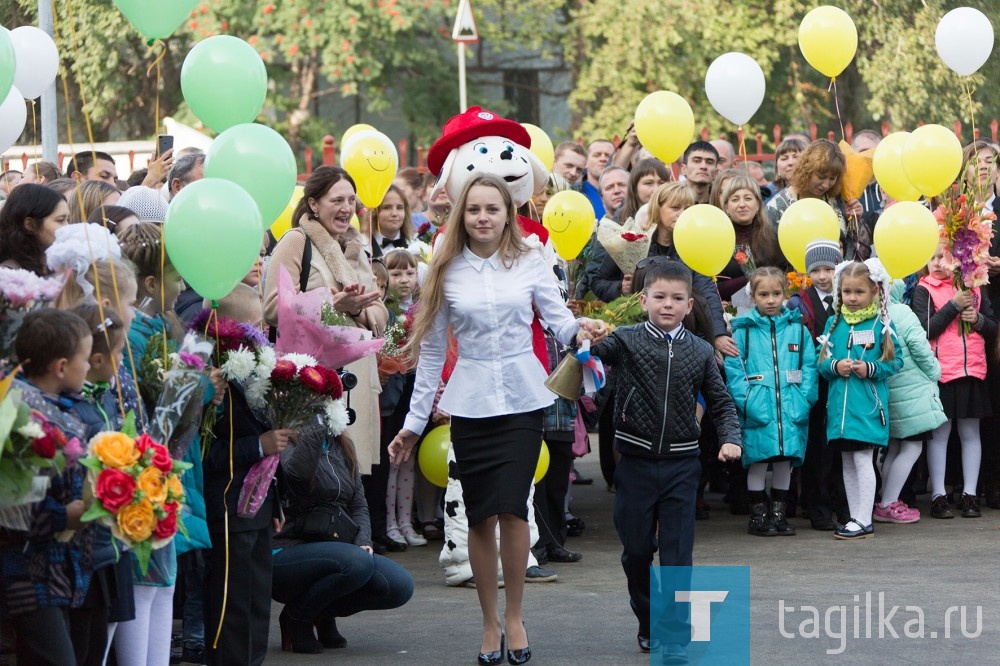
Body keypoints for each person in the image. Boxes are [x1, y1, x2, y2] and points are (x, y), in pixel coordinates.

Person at [388, 174, 607, 665]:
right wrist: (413, 423)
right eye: (474, 209)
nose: (483, 217)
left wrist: (583, 328)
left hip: (524, 401)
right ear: (460, 216)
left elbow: (559, 320)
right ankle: (489, 623)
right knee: (480, 515)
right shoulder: (443, 270)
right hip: (470, 405)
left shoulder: (532, 260)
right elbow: (428, 353)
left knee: (513, 509)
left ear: (509, 213)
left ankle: (514, 616)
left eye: (493, 208)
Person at [585, 260, 741, 661]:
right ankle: (647, 618)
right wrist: (589, 334)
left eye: (676, 299)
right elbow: (592, 352)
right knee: (636, 551)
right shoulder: (628, 339)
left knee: (676, 554)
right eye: (659, 297)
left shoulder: (702, 351)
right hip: (634, 462)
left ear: (690, 305)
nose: (667, 305)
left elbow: (721, 403)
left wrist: (730, 439)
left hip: (682, 464)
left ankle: (672, 635)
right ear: (644, 300)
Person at [264, 166, 388, 475]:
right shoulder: (296, 241)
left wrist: (357, 310)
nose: (347, 208)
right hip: (313, 381)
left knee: (355, 487)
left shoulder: (356, 249)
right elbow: (272, 308)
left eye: (351, 200)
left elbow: (381, 314)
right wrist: (331, 303)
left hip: (357, 381)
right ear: (314, 205)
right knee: (318, 480)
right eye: (337, 200)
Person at [273, 424, 414, 653]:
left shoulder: (342, 444)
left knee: (398, 585)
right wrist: (318, 425)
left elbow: (358, 504)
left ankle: (321, 611)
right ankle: (297, 618)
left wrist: (363, 541)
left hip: (334, 548)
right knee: (356, 563)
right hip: (286, 549)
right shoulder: (285, 436)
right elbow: (296, 475)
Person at [2, 309, 93, 666]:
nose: (88, 368)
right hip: (30, 572)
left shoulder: (60, 410)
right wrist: (63, 518)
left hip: (57, 574)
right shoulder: (24, 418)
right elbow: (13, 507)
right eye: (84, 359)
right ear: (60, 367)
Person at [202, 357, 295, 665]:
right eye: (251, 322)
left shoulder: (256, 373)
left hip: (260, 505)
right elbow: (206, 454)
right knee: (233, 606)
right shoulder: (214, 382)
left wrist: (276, 502)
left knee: (257, 605)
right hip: (231, 505)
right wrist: (258, 444)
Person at [725, 267, 817, 537]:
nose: (770, 300)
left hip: (791, 408)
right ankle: (757, 516)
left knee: (783, 463)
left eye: (776, 293)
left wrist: (803, 399)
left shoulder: (798, 331)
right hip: (758, 409)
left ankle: (778, 514)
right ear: (752, 296)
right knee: (756, 462)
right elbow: (734, 371)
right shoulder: (743, 332)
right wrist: (749, 400)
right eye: (763, 294)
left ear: (784, 294)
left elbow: (809, 367)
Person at [817, 259, 901, 540]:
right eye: (846, 292)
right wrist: (834, 366)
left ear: (874, 291)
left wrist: (870, 369)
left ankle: (864, 519)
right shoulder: (834, 322)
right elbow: (821, 362)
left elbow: (895, 361)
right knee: (848, 462)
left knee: (864, 460)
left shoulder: (881, 324)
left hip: (866, 408)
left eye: (858, 292)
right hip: (840, 410)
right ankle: (856, 517)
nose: (851, 298)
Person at [911, 246, 997, 519]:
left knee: (971, 433)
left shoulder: (974, 286)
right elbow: (925, 329)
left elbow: (993, 326)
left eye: (944, 258)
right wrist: (953, 306)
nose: (938, 263)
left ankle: (970, 494)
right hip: (941, 373)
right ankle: (938, 494)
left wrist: (979, 320)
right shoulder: (924, 289)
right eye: (932, 257)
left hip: (971, 370)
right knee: (940, 435)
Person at [787, 240, 846, 530]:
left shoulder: (848, 297)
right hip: (814, 383)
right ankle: (816, 506)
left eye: (829, 269)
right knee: (817, 448)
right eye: (817, 270)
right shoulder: (800, 302)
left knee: (842, 444)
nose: (823, 276)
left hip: (844, 382)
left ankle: (843, 503)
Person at [878, 280, 947, 524]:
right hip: (914, 393)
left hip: (892, 392)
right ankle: (889, 502)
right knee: (913, 448)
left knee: (895, 447)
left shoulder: (875, 314)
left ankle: (884, 498)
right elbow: (920, 347)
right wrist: (935, 371)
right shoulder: (902, 312)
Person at [715, 174, 786, 304]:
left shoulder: (773, 237)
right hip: (731, 313)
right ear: (726, 207)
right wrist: (750, 279)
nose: (742, 204)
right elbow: (715, 287)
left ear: (758, 204)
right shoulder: (717, 240)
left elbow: (784, 277)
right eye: (735, 199)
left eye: (748, 198)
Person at [0, 182, 69, 274]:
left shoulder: (60, 263)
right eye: (60, 220)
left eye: (68, 219)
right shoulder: (8, 275)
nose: (68, 227)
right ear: (30, 224)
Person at [372, 184, 431, 260]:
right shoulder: (363, 245)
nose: (394, 213)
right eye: (387, 208)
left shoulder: (416, 245)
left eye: (399, 208)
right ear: (374, 212)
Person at [616, 158, 671, 225]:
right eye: (648, 183)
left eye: (661, 183)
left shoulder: (675, 216)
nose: (656, 189)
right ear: (634, 187)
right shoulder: (620, 217)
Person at [582, 139, 616, 219]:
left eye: (608, 155)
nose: (603, 159)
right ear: (586, 162)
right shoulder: (576, 192)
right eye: (597, 155)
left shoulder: (625, 192)